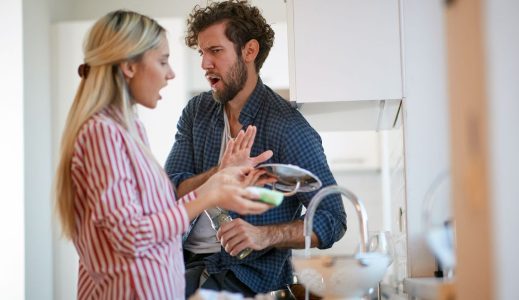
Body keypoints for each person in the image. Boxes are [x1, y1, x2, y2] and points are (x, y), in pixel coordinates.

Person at [54, 10, 272, 300]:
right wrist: (207, 196)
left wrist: (219, 178)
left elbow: (155, 220)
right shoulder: (101, 134)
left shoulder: (130, 131)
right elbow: (131, 236)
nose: (170, 73)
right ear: (129, 66)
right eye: (162, 61)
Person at [164, 0, 347, 296]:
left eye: (215, 51)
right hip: (179, 268)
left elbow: (331, 217)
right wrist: (218, 174)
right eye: (201, 52)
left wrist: (262, 235)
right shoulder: (196, 113)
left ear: (249, 51)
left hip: (247, 279)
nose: (204, 64)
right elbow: (169, 190)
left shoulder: (287, 127)